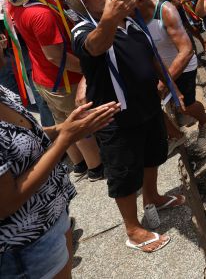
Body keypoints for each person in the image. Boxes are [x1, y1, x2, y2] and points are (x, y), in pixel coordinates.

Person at [69, 0, 180, 253]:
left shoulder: (132, 23)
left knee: (152, 154)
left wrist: (168, 83)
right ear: (84, 0)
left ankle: (153, 196)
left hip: (147, 106)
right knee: (124, 172)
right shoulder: (84, 30)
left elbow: (152, 55)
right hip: (116, 117)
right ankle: (132, 228)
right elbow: (94, 47)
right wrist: (108, 18)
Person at [0, 84, 119, 279]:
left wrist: (64, 128)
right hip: (27, 244)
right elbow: (6, 203)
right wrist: (65, 139)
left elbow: (23, 135)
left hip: (52, 217)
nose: (4, 50)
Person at [8, 0, 105, 182]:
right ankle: (96, 168)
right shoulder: (40, 13)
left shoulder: (16, 4)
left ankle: (80, 164)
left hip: (44, 77)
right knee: (80, 124)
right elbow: (54, 56)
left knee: (63, 121)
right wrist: (87, 68)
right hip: (62, 78)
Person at [136, 0, 206, 149]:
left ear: (140, 0)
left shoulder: (165, 12)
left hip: (183, 66)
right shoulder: (129, 18)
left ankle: (204, 120)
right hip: (159, 68)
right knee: (150, 106)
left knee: (185, 106)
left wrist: (166, 83)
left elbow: (186, 50)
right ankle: (176, 136)